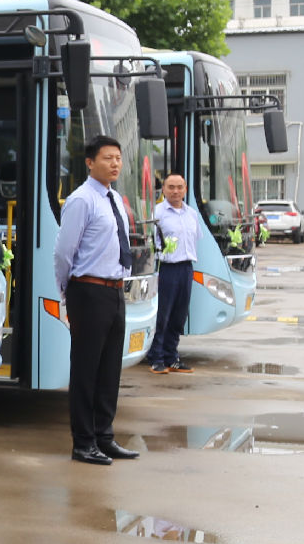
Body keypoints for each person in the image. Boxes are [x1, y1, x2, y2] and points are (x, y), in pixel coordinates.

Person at [54, 135, 139, 465]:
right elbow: (64, 252)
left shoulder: (114, 198)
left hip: (114, 290)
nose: (115, 163)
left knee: (109, 369)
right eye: (107, 158)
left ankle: (105, 436)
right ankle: (83, 442)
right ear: (90, 163)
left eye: (118, 158)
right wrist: (67, 291)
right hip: (88, 290)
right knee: (86, 370)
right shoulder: (81, 200)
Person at [144, 173, 199, 374]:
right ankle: (156, 358)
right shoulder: (156, 213)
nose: (175, 191)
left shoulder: (191, 214)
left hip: (186, 268)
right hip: (166, 268)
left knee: (179, 315)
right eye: (171, 187)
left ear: (185, 189)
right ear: (164, 190)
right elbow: (149, 243)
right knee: (163, 315)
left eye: (179, 187)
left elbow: (195, 240)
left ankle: (171, 357)